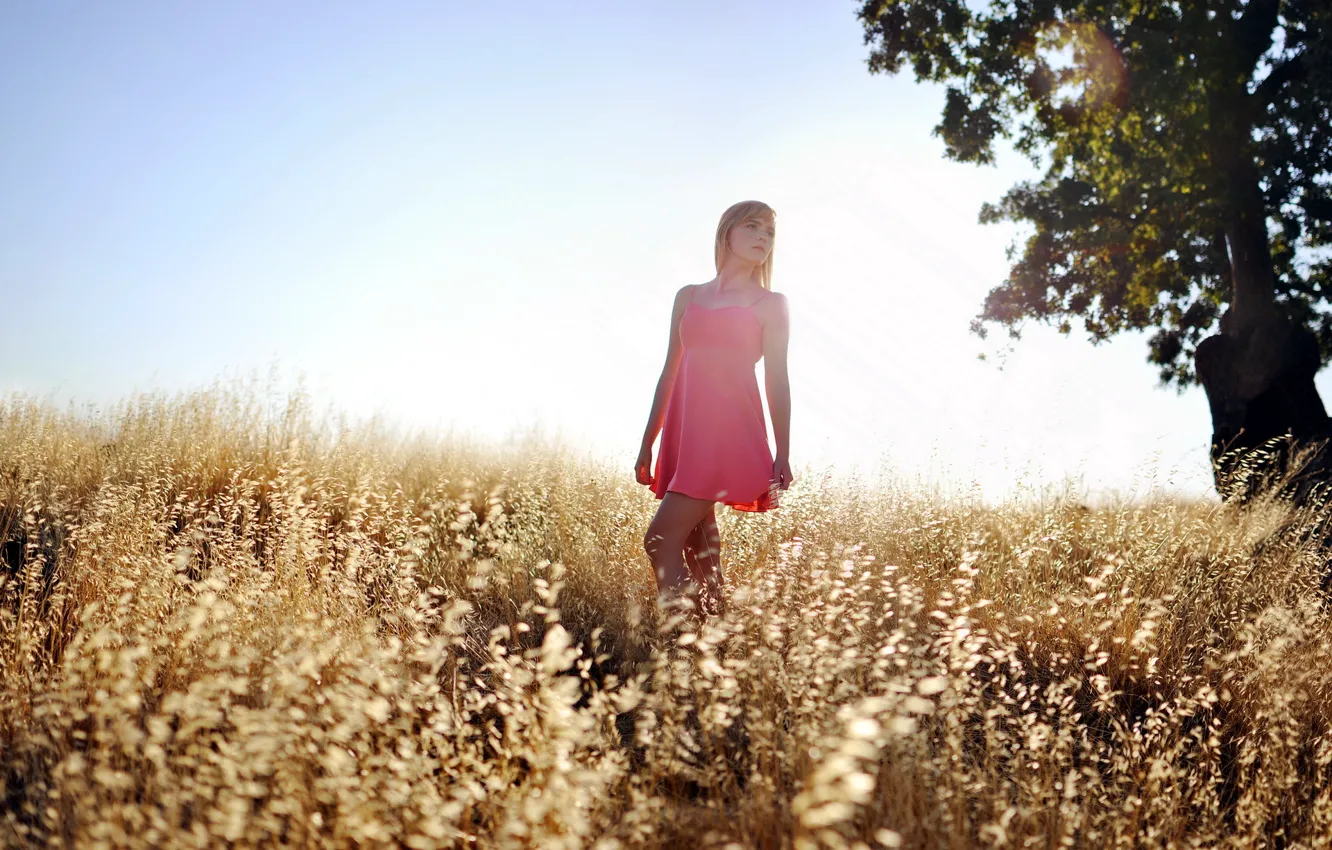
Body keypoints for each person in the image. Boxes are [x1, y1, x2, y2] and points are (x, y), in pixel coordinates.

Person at [635, 200, 793, 618]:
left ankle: (682, 637)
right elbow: (670, 372)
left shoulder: (770, 304)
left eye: (770, 232)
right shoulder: (688, 296)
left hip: (730, 433)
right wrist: (647, 443)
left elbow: (777, 380)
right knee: (697, 543)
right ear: (727, 232)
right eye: (753, 227)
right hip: (686, 434)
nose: (764, 237)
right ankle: (717, 633)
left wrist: (783, 451)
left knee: (660, 540)